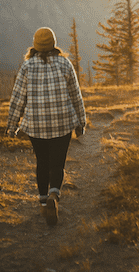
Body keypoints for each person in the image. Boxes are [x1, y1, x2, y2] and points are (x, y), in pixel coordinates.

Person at [7, 27, 86, 226]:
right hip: (62, 122)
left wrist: (12, 126)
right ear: (53, 43)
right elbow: (76, 95)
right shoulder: (64, 64)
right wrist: (81, 122)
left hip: (36, 125)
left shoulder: (26, 67)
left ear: (35, 45)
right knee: (57, 164)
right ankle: (54, 195)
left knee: (42, 162)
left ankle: (43, 204)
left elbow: (18, 99)